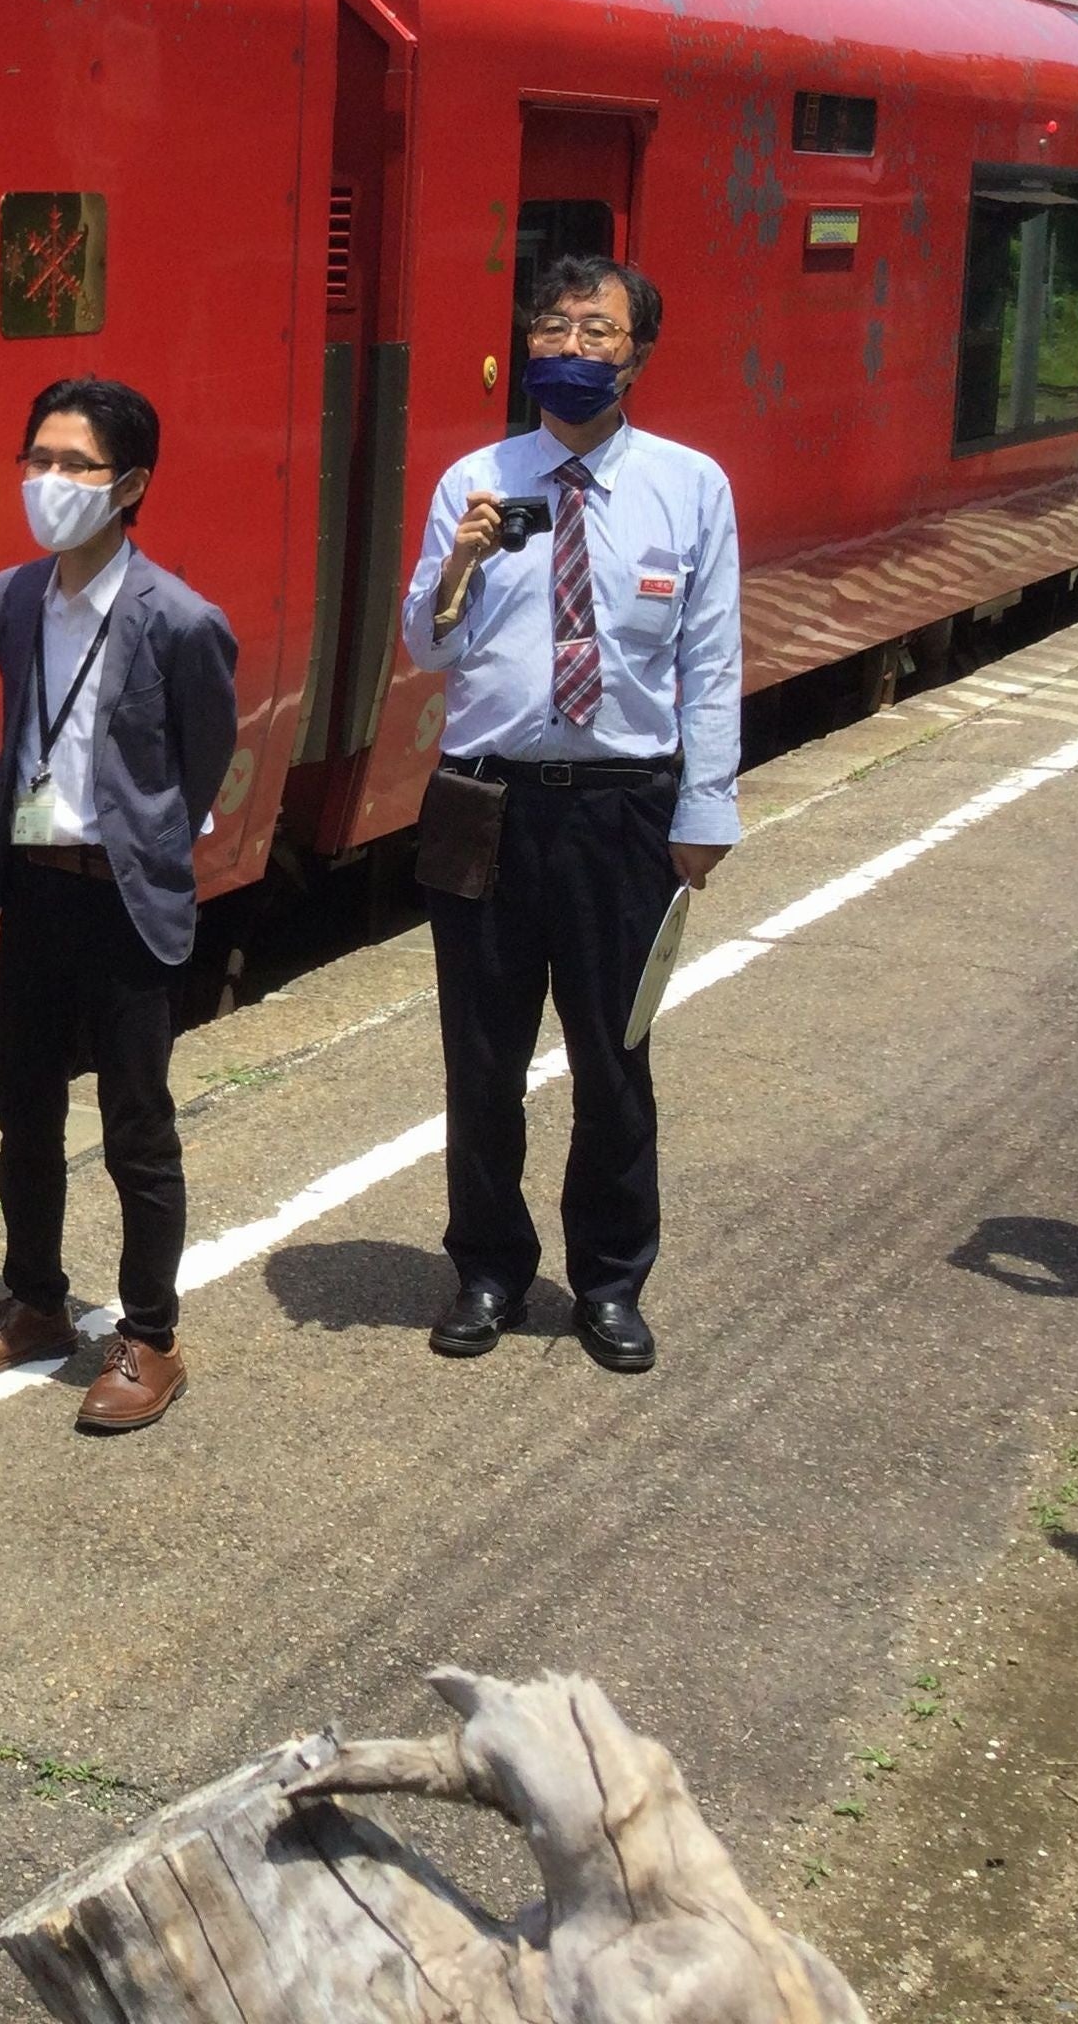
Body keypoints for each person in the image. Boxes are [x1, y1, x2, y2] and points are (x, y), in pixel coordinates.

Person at [399, 254, 741, 1375]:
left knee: (612, 1057)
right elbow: (423, 647)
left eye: (595, 331)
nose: (570, 347)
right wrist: (453, 563)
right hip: (483, 801)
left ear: (636, 352)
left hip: (621, 810)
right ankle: (487, 1269)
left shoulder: (690, 486)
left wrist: (704, 809)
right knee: (479, 1059)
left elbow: (709, 656)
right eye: (551, 326)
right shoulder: (475, 479)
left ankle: (607, 1281)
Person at [0, 378, 238, 1434]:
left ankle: (150, 1334)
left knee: (136, 1127)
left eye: (75, 466)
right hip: (31, 887)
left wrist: (139, 841)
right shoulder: (13, 597)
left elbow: (199, 763)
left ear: (131, 485)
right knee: (23, 1113)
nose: (48, 483)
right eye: (37, 460)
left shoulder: (182, 621)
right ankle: (35, 1303)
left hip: (123, 902)